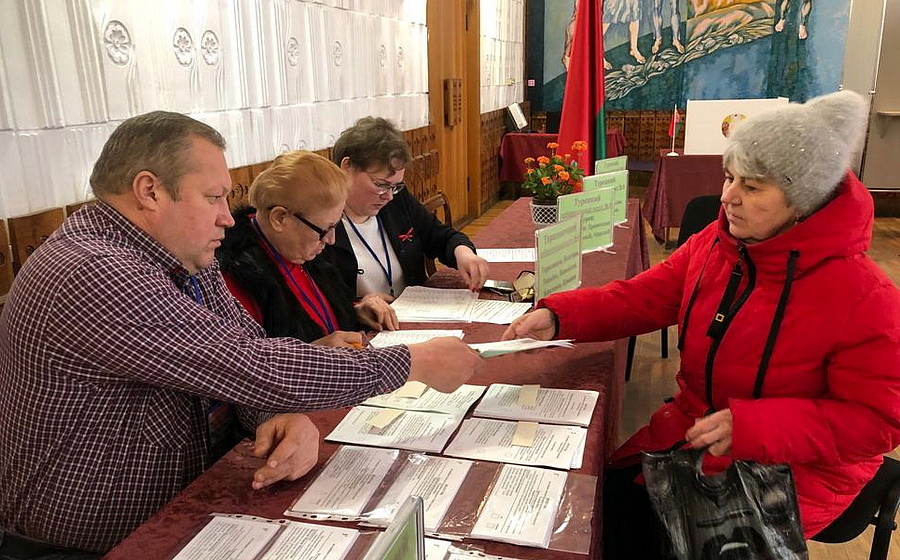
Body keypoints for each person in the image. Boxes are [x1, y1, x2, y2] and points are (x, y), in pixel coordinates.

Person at [0, 111, 483, 557]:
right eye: (213, 197)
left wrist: (278, 413)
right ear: (149, 191)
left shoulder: (183, 253)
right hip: (91, 540)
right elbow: (250, 366)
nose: (228, 218)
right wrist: (410, 362)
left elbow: (245, 350)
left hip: (185, 499)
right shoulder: (93, 270)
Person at [503, 91, 900, 559]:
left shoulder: (866, 297)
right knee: (596, 512)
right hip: (696, 433)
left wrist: (755, 426)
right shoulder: (717, 244)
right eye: (730, 177)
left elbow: (878, 421)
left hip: (790, 469)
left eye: (753, 187)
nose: (728, 196)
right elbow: (644, 297)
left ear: (803, 201)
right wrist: (560, 315)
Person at [217, 151, 399, 340]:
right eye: (324, 230)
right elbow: (247, 354)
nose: (331, 240)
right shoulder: (234, 281)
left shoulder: (301, 247)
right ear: (279, 218)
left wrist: (356, 311)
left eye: (335, 227)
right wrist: (316, 350)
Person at [326, 117, 489, 301]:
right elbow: (323, 300)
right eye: (380, 184)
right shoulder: (322, 222)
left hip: (414, 311)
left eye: (395, 186)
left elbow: (441, 236)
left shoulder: (397, 201)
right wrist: (358, 306)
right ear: (347, 167)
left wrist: (463, 252)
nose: (389, 196)